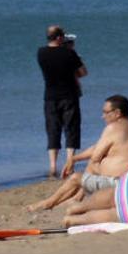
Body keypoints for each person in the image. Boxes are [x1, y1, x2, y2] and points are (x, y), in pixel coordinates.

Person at [28, 95, 128, 212]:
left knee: (75, 178)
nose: (102, 116)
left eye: (105, 112)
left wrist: (75, 160)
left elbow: (96, 156)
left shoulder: (113, 128)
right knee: (92, 166)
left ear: (117, 113)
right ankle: (77, 198)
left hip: (118, 184)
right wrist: (74, 159)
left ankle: (48, 203)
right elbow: (96, 148)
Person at [37, 25, 87, 177]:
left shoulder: (41, 53)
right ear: (59, 37)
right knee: (71, 129)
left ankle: (53, 166)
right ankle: (69, 163)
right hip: (69, 94)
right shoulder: (69, 53)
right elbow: (83, 72)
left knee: (53, 129)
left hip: (50, 96)